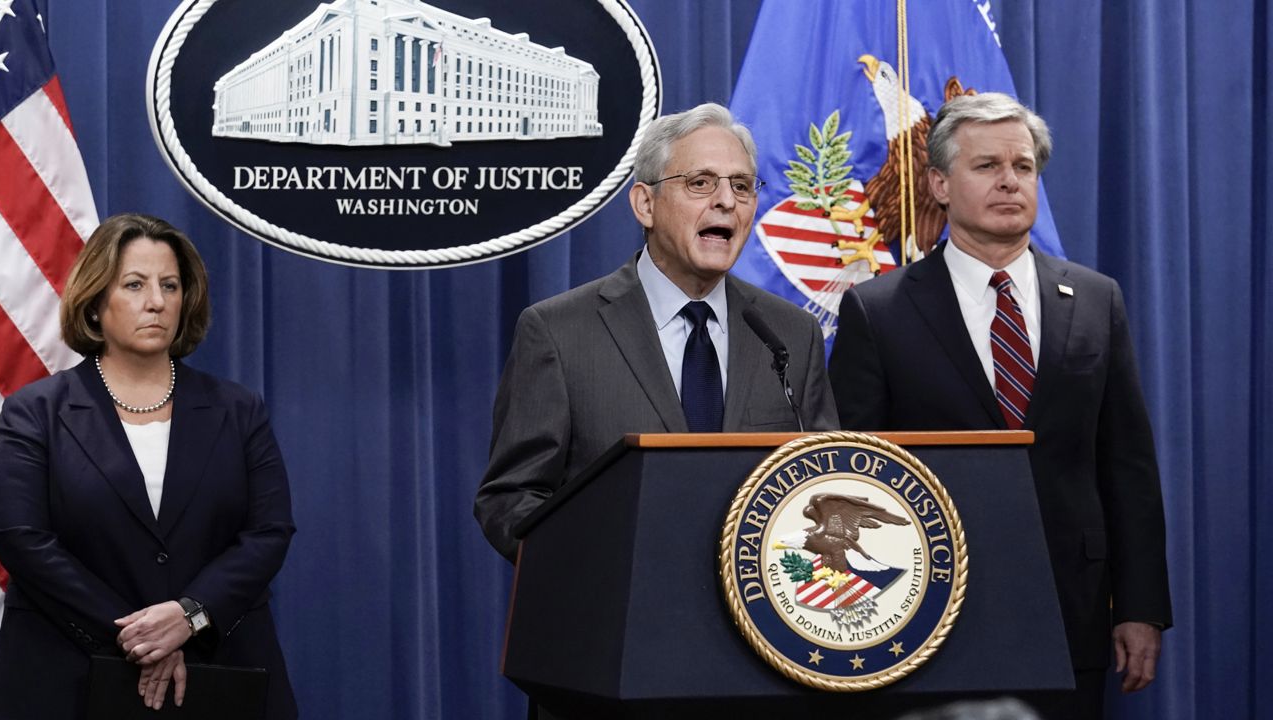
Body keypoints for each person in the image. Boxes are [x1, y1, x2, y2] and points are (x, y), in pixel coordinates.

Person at [827, 93, 1171, 718]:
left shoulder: (1096, 299)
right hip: (925, 617)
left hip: (1073, 610)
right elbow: (853, 472)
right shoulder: (878, 311)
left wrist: (1142, 606)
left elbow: (1128, 467)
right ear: (937, 183)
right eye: (986, 166)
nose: (1010, 181)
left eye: (1024, 166)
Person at [475, 103, 838, 561]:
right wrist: (603, 566)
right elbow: (510, 500)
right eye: (701, 183)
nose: (726, 201)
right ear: (646, 204)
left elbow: (824, 481)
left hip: (761, 620)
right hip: (616, 615)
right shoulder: (558, 332)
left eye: (742, 186)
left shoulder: (790, 333)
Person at [0, 214, 297, 718]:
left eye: (170, 285)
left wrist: (190, 616)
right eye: (134, 284)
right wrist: (145, 636)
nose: (156, 301)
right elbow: (22, 538)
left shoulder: (238, 409)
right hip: (67, 671)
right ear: (95, 301)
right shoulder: (36, 411)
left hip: (216, 668)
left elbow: (269, 532)